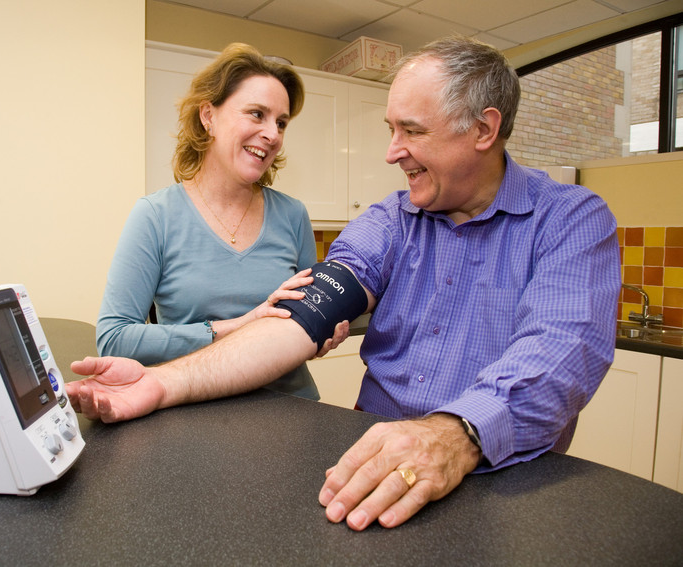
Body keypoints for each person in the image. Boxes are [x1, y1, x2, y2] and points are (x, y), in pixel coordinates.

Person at [68, 36, 620, 530]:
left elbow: (560, 351)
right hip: (366, 466)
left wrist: (455, 435)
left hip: (499, 482)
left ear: (483, 129)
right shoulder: (389, 222)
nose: (391, 151)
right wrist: (163, 385)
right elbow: (295, 320)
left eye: (412, 130)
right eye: (391, 129)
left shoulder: (571, 222)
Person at [95, 43, 346, 400]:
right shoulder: (156, 216)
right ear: (207, 116)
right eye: (256, 114)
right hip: (197, 411)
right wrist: (236, 327)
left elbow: (308, 316)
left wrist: (318, 334)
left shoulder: (293, 215)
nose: (273, 135)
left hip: (291, 411)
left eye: (281, 123)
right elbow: (114, 339)